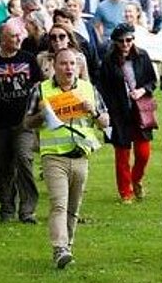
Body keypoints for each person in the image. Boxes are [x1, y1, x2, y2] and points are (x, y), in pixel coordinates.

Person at [24, 48, 109, 269]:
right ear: (55, 66)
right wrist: (42, 116)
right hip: (54, 157)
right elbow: (26, 122)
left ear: (79, 67)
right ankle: (59, 248)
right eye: (64, 64)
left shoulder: (88, 89)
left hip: (81, 155)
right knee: (59, 204)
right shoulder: (41, 91)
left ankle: (67, 245)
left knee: (73, 207)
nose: (68, 68)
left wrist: (95, 113)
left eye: (72, 64)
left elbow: (106, 122)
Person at [0, 22, 42, 223]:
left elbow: (38, 86)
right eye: (13, 36)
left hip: (24, 123)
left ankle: (28, 209)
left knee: (23, 159)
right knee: (3, 167)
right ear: (3, 38)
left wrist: (38, 112)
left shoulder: (28, 59)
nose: (18, 39)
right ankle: (6, 207)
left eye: (20, 35)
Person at [99, 23, 157, 203]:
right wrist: (108, 111)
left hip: (140, 110)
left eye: (129, 40)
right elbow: (103, 87)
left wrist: (142, 90)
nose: (125, 44)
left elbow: (152, 81)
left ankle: (136, 179)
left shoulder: (142, 56)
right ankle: (126, 192)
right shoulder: (108, 61)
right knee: (122, 154)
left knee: (143, 153)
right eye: (121, 41)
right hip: (119, 113)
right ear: (115, 42)